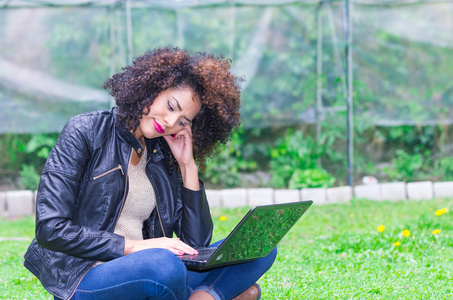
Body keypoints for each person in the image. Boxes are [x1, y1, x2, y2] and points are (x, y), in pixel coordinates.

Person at [23, 46, 277, 300]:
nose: (169, 122)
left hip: (154, 270)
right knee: (163, 265)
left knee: (258, 245)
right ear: (153, 87)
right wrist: (136, 247)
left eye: (182, 121)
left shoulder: (162, 153)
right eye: (170, 106)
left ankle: (203, 297)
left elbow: (195, 245)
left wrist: (187, 166)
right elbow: (51, 229)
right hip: (86, 274)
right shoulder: (86, 131)